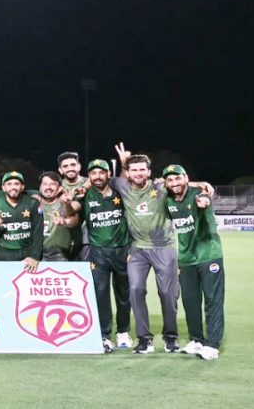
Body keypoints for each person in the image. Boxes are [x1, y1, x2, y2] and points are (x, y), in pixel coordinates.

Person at [111, 143, 179, 354]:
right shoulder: (123, 186)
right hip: (137, 249)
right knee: (135, 290)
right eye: (134, 170)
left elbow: (181, 185)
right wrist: (123, 163)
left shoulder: (160, 188)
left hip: (163, 248)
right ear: (128, 173)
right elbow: (101, 181)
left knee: (167, 293)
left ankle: (170, 337)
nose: (138, 173)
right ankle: (144, 339)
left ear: (149, 172)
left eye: (142, 169)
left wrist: (203, 185)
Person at [68, 159, 132, 352]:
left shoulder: (120, 192)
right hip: (98, 252)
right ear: (89, 176)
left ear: (108, 174)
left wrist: (124, 164)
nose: (97, 176)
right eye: (93, 173)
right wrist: (68, 200)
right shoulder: (85, 194)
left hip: (122, 250)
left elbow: (126, 179)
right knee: (100, 294)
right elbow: (72, 209)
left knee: (124, 294)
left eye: (101, 172)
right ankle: (104, 334)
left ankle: (123, 332)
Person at [164, 164, 224, 360]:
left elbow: (205, 196)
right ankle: (196, 340)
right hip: (185, 258)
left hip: (208, 255)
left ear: (186, 178)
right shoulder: (167, 200)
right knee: (190, 301)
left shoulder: (198, 193)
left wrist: (205, 201)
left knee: (213, 301)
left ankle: (212, 345)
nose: (174, 183)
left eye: (178, 178)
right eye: (170, 180)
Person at [0, 171, 42, 271]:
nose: (13, 187)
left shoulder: (33, 203)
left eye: (16, 184)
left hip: (27, 251)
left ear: (22, 187)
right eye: (9, 184)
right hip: (4, 253)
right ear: (3, 187)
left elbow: (38, 231)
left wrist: (35, 256)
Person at [37, 172, 78, 262]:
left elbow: (74, 219)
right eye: (45, 184)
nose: (48, 187)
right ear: (40, 187)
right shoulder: (33, 203)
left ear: (59, 188)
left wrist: (65, 221)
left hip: (60, 255)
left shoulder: (65, 203)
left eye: (53, 184)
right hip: (36, 256)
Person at [57, 151, 89, 261]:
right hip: (63, 241)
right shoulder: (56, 187)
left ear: (79, 166)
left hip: (86, 241)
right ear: (60, 170)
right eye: (65, 166)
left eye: (73, 165)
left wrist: (84, 188)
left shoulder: (89, 183)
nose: (70, 168)